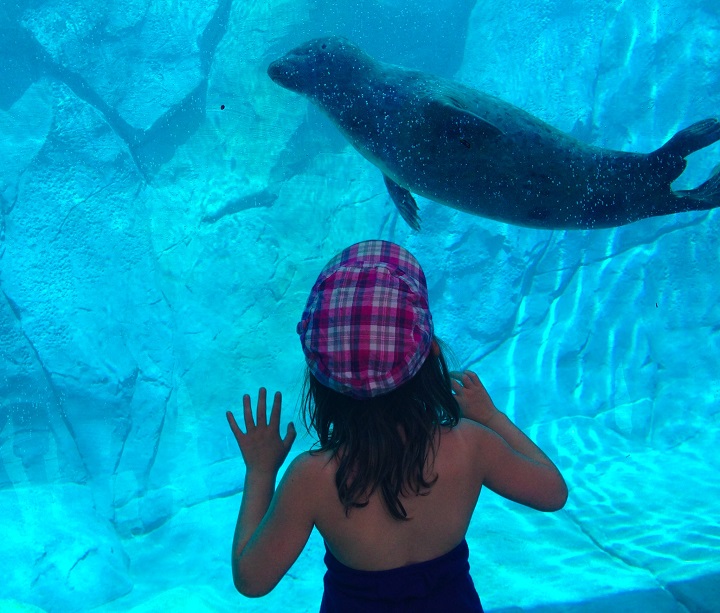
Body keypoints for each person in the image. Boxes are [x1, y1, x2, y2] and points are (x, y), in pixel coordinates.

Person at [227, 240, 567, 612]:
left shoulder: (312, 479)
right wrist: (491, 418)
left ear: (320, 377)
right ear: (430, 351)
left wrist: (260, 470)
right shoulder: (472, 445)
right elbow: (552, 492)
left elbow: (252, 579)